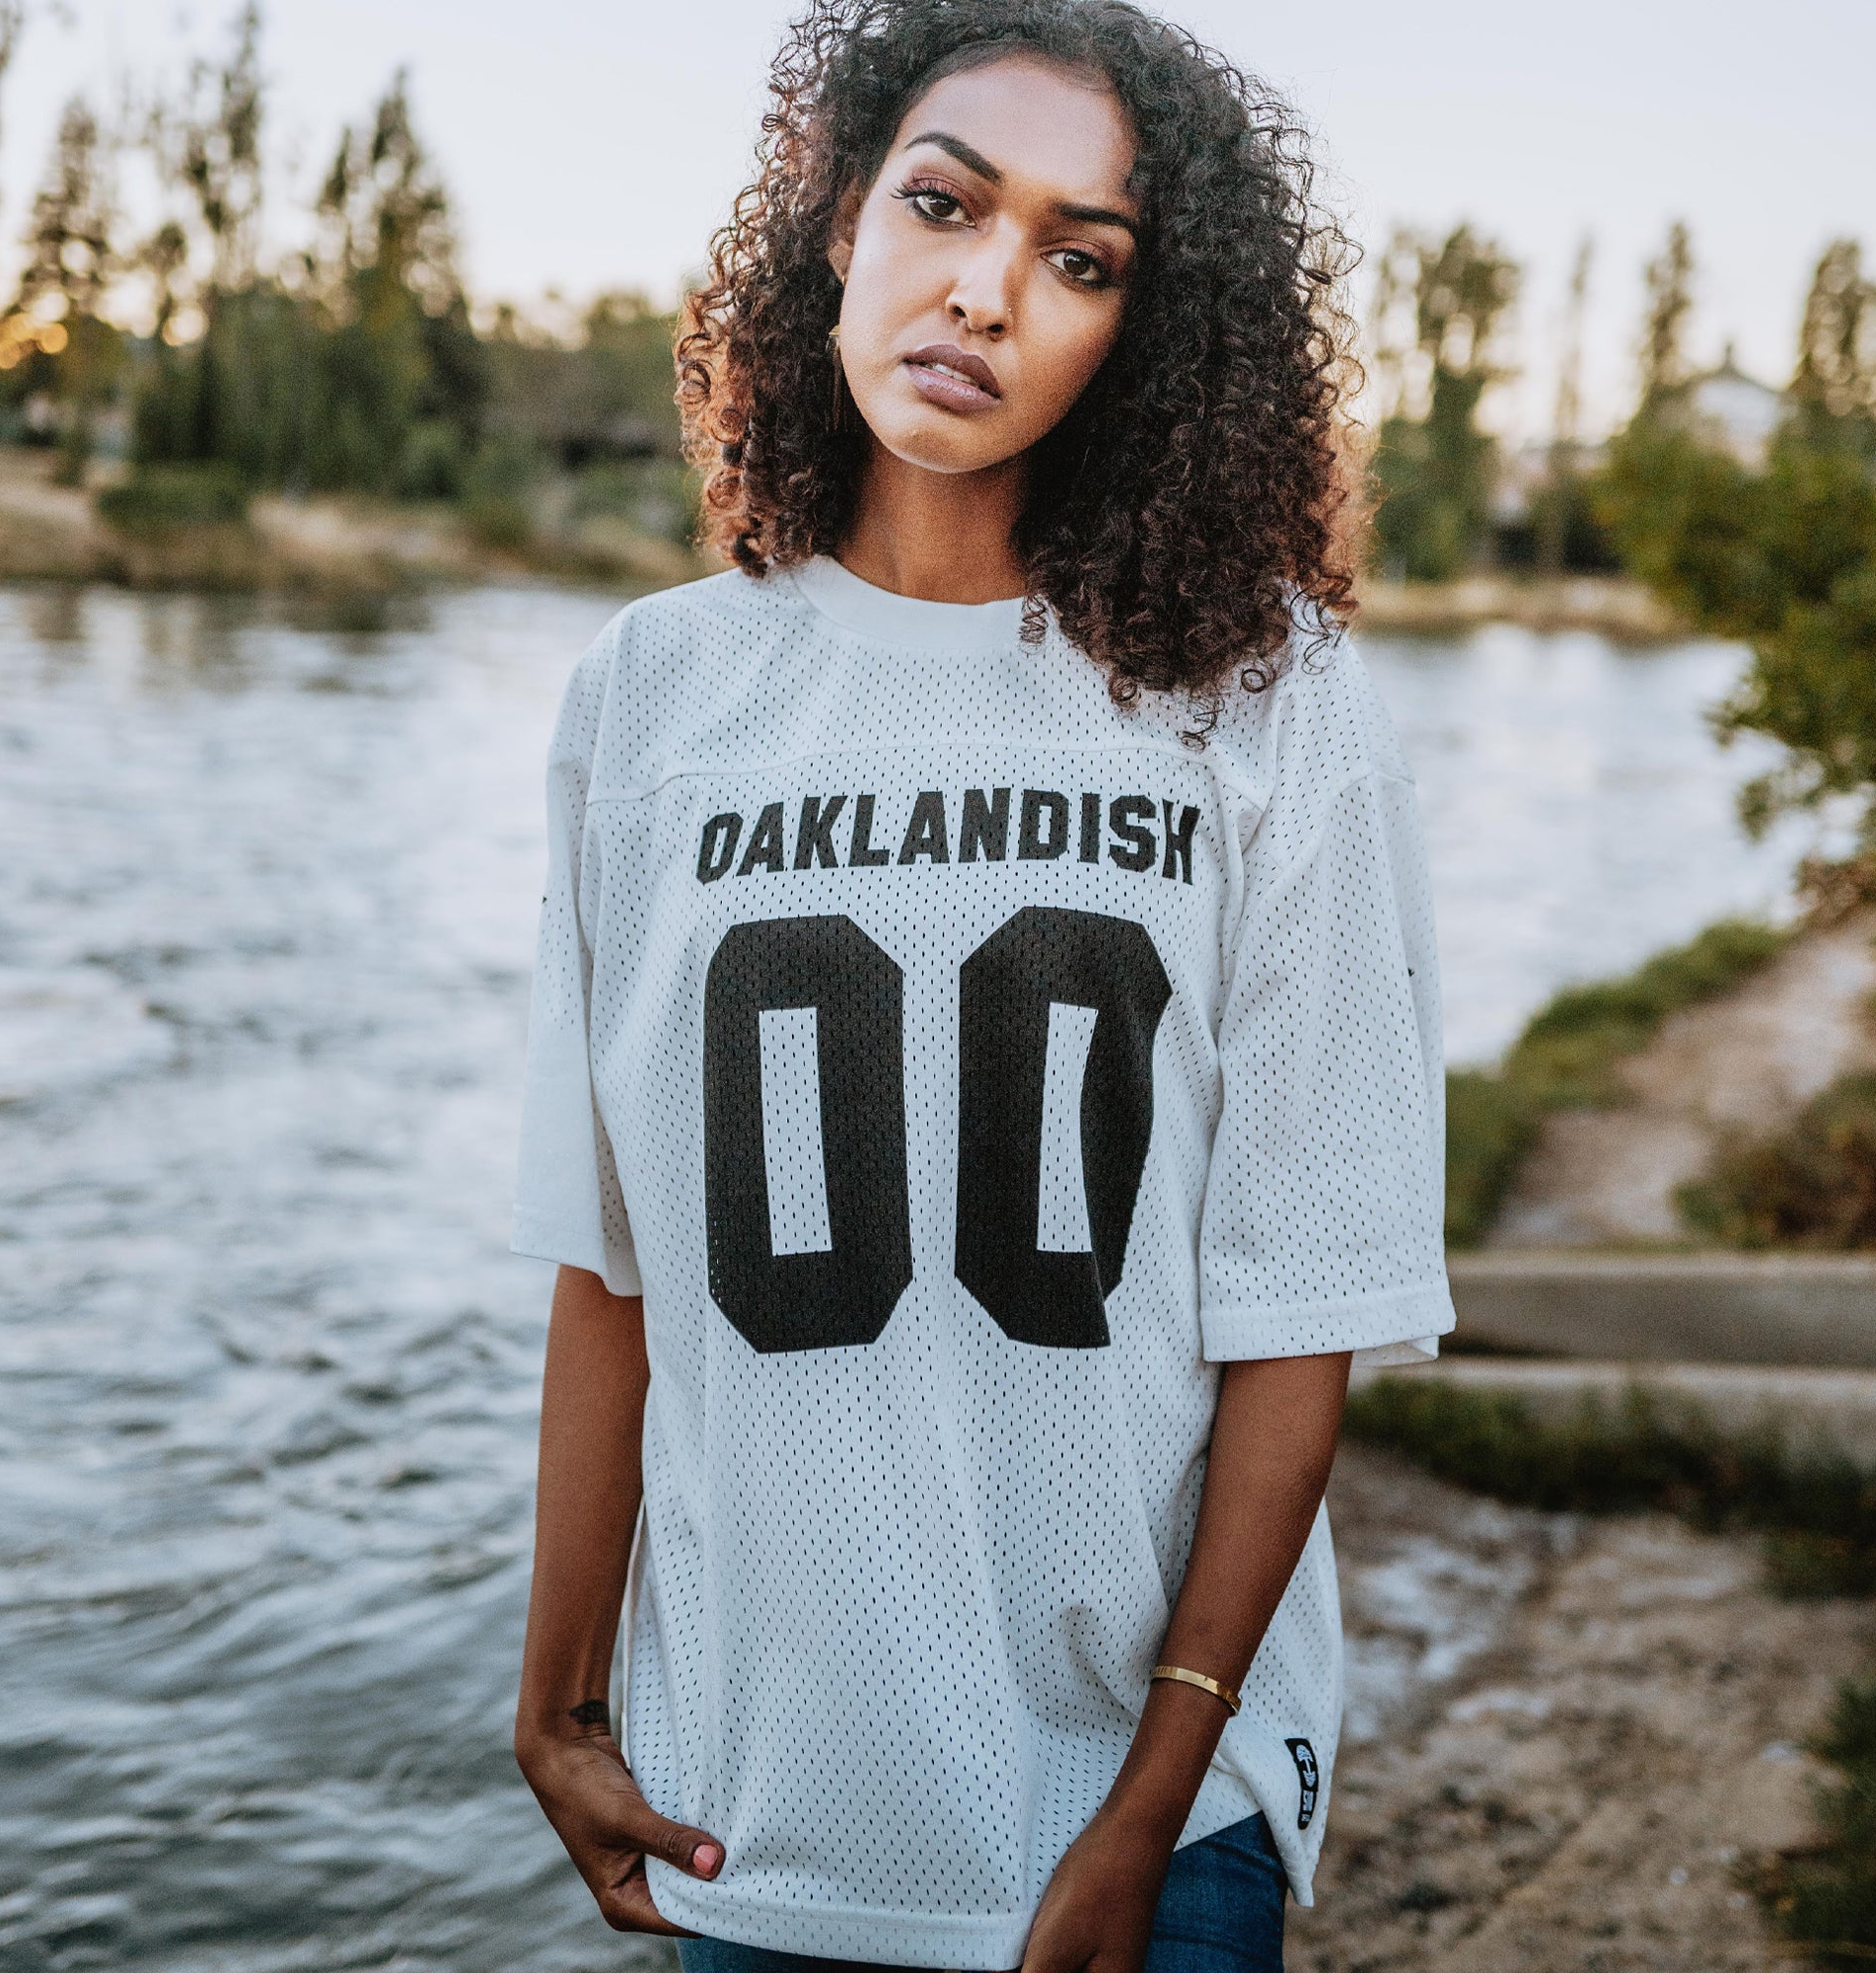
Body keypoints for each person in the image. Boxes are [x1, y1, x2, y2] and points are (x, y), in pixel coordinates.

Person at [510, 3, 1454, 1969]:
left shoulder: (1261, 700)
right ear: (839, 220)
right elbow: (609, 1258)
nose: (986, 290)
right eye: (943, 204)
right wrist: (560, 1697)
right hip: (754, 1808)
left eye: (1080, 256)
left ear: (1145, 332)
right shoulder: (650, 693)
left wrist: (1147, 1808)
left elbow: (1300, 1307)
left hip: (1135, 1824)